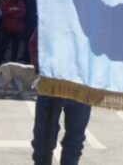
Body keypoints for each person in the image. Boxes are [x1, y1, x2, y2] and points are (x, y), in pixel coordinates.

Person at [29, 30, 91, 165]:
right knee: (43, 138)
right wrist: (43, 68)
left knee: (75, 141)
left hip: (82, 85)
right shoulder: (55, 16)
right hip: (51, 82)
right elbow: (36, 42)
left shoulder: (94, 20)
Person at [0, 0, 26, 66]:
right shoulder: (6, 3)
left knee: (15, 50)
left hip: (17, 30)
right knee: (2, 49)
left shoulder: (21, 4)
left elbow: (22, 15)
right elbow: (4, 12)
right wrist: (15, 12)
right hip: (7, 29)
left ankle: (12, 67)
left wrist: (11, 12)